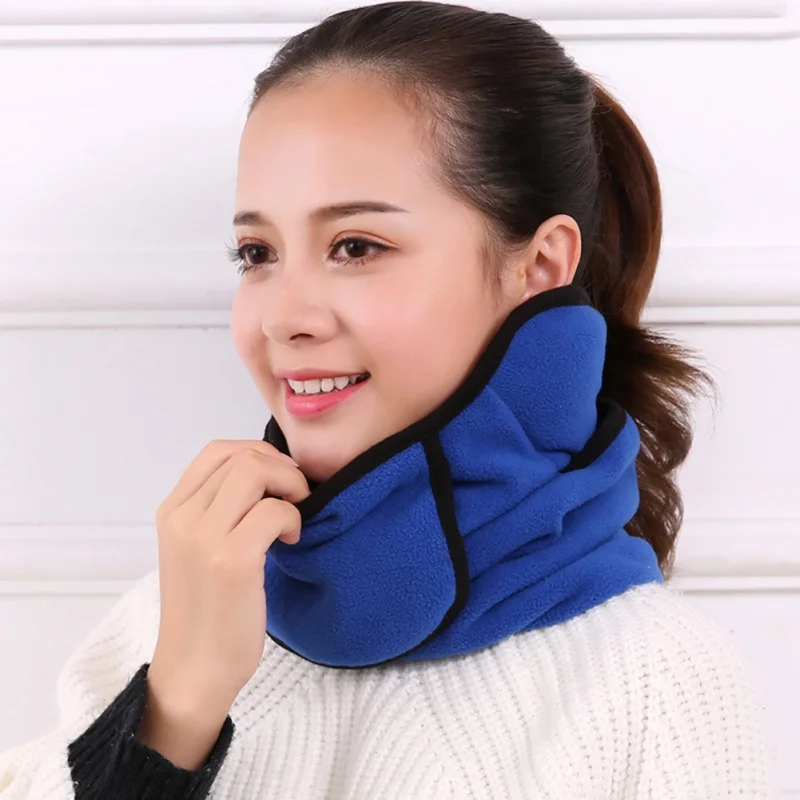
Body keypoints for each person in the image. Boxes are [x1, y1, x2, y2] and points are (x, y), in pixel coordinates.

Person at [0, 2, 777, 798]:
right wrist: (176, 708)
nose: (283, 318)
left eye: (356, 246)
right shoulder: (174, 618)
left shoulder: (659, 685)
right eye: (257, 253)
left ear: (542, 266)